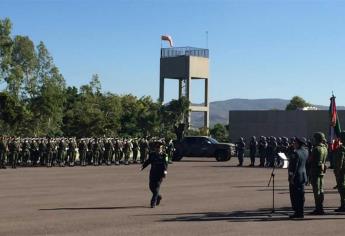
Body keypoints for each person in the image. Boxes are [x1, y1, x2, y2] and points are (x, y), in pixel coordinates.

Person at [141, 140, 168, 208]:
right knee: (151, 187)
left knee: (156, 188)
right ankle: (158, 197)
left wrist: (165, 173)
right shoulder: (152, 154)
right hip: (153, 173)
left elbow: (166, 165)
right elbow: (148, 161)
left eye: (159, 148)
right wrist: (143, 166)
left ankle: (153, 202)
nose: (158, 149)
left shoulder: (165, 155)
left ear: (161, 148)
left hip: (160, 174)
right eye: (156, 148)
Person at [288, 137, 308, 219]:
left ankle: (298, 212)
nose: (294, 144)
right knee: (301, 195)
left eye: (295, 142)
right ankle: (301, 212)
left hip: (296, 177)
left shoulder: (296, 153)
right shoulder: (306, 151)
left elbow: (294, 167)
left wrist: (291, 177)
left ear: (298, 144)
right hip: (303, 175)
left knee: (295, 195)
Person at [309, 132, 328, 215]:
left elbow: (311, 160)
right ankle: (320, 207)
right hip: (321, 171)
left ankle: (318, 208)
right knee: (321, 190)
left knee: (316, 191)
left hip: (315, 171)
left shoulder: (316, 148)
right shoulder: (325, 148)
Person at [333, 131, 345, 212]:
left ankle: (343, 206)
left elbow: (340, 162)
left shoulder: (342, 148)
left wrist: (337, 171)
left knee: (342, 188)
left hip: (342, 172)